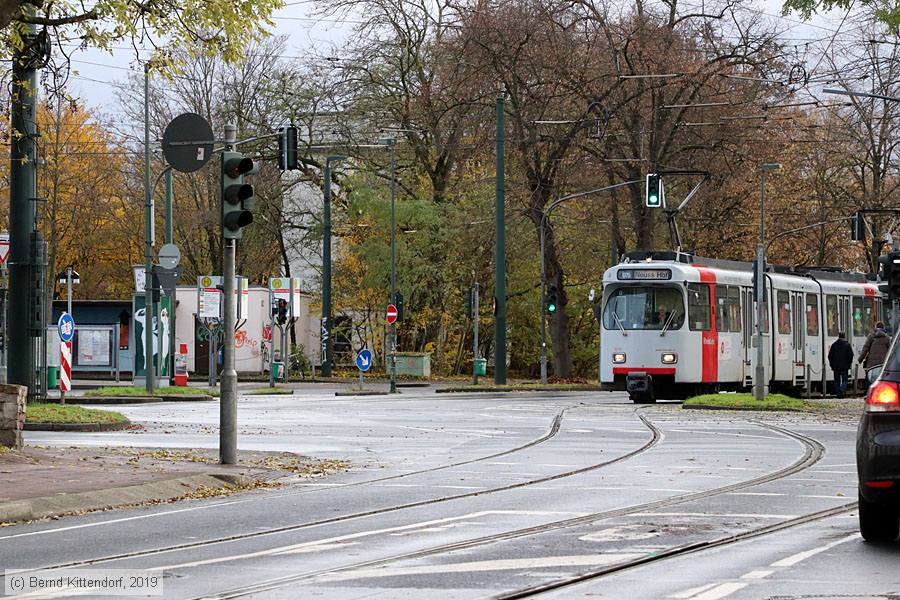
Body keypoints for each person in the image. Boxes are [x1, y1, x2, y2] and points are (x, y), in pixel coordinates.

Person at [828, 332, 854, 398]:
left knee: (837, 381)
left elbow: (830, 356)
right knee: (845, 380)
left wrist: (832, 365)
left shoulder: (834, 345)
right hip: (844, 366)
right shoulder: (847, 345)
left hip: (836, 367)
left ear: (838, 336)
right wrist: (849, 364)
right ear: (844, 337)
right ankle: (841, 390)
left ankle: (838, 394)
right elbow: (851, 355)